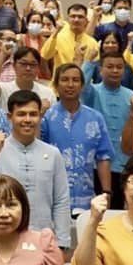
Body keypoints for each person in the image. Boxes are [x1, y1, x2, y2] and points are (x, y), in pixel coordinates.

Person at [0, 90, 72, 240]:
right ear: (9, 117)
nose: (27, 119)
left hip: (42, 238)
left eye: (33, 114)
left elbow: (61, 200)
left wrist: (62, 241)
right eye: (21, 114)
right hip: (3, 237)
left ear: (40, 117)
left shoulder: (52, 153)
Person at [42, 62, 114, 217]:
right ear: (56, 84)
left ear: (82, 85)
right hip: (52, 198)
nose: (70, 84)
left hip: (86, 199)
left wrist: (106, 191)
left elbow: (103, 157)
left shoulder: (95, 118)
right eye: (65, 79)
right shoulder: (46, 117)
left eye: (75, 80)